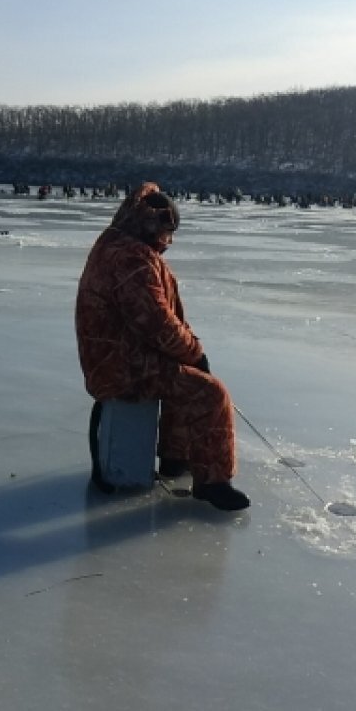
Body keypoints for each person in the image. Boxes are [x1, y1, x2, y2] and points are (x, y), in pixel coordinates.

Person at [74, 182, 249, 511]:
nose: (168, 242)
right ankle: (213, 481)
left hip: (119, 356)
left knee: (181, 378)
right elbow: (157, 323)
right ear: (152, 225)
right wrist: (196, 354)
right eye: (167, 232)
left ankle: (174, 458)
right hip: (122, 367)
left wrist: (187, 355)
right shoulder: (132, 259)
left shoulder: (116, 244)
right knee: (210, 393)